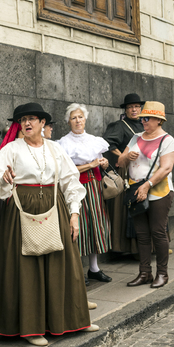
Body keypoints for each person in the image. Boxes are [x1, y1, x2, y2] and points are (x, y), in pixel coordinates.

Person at [0, 102, 98, 347]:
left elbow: (70, 181)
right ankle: (30, 327)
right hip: (21, 211)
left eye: (32, 118)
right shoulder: (11, 149)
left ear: (43, 123)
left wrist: (74, 214)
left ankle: (70, 320)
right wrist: (5, 181)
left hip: (55, 207)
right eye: (23, 119)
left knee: (62, 263)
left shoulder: (55, 149)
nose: (27, 123)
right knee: (26, 268)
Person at [118, 101, 174, 288]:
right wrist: (127, 157)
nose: (142, 120)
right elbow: (120, 161)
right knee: (142, 234)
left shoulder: (167, 140)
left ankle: (162, 273)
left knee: (158, 232)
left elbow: (166, 168)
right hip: (136, 189)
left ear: (158, 120)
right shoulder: (136, 137)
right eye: (142, 118)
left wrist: (148, 186)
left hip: (159, 192)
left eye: (147, 118)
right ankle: (145, 273)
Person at [57, 103, 112, 283]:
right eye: (73, 118)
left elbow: (100, 161)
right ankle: (77, 270)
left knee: (95, 224)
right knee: (78, 226)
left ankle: (94, 268)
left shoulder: (94, 140)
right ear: (68, 122)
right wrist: (90, 165)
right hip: (75, 187)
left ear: (85, 119)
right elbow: (65, 169)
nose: (77, 120)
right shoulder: (63, 143)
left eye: (80, 117)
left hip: (95, 186)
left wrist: (103, 163)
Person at [103, 93, 144, 254]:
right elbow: (107, 143)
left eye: (136, 106)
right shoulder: (120, 125)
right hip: (127, 171)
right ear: (125, 110)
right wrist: (123, 156)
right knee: (129, 209)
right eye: (130, 107)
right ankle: (129, 249)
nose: (134, 110)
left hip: (143, 171)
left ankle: (148, 245)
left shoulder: (144, 125)